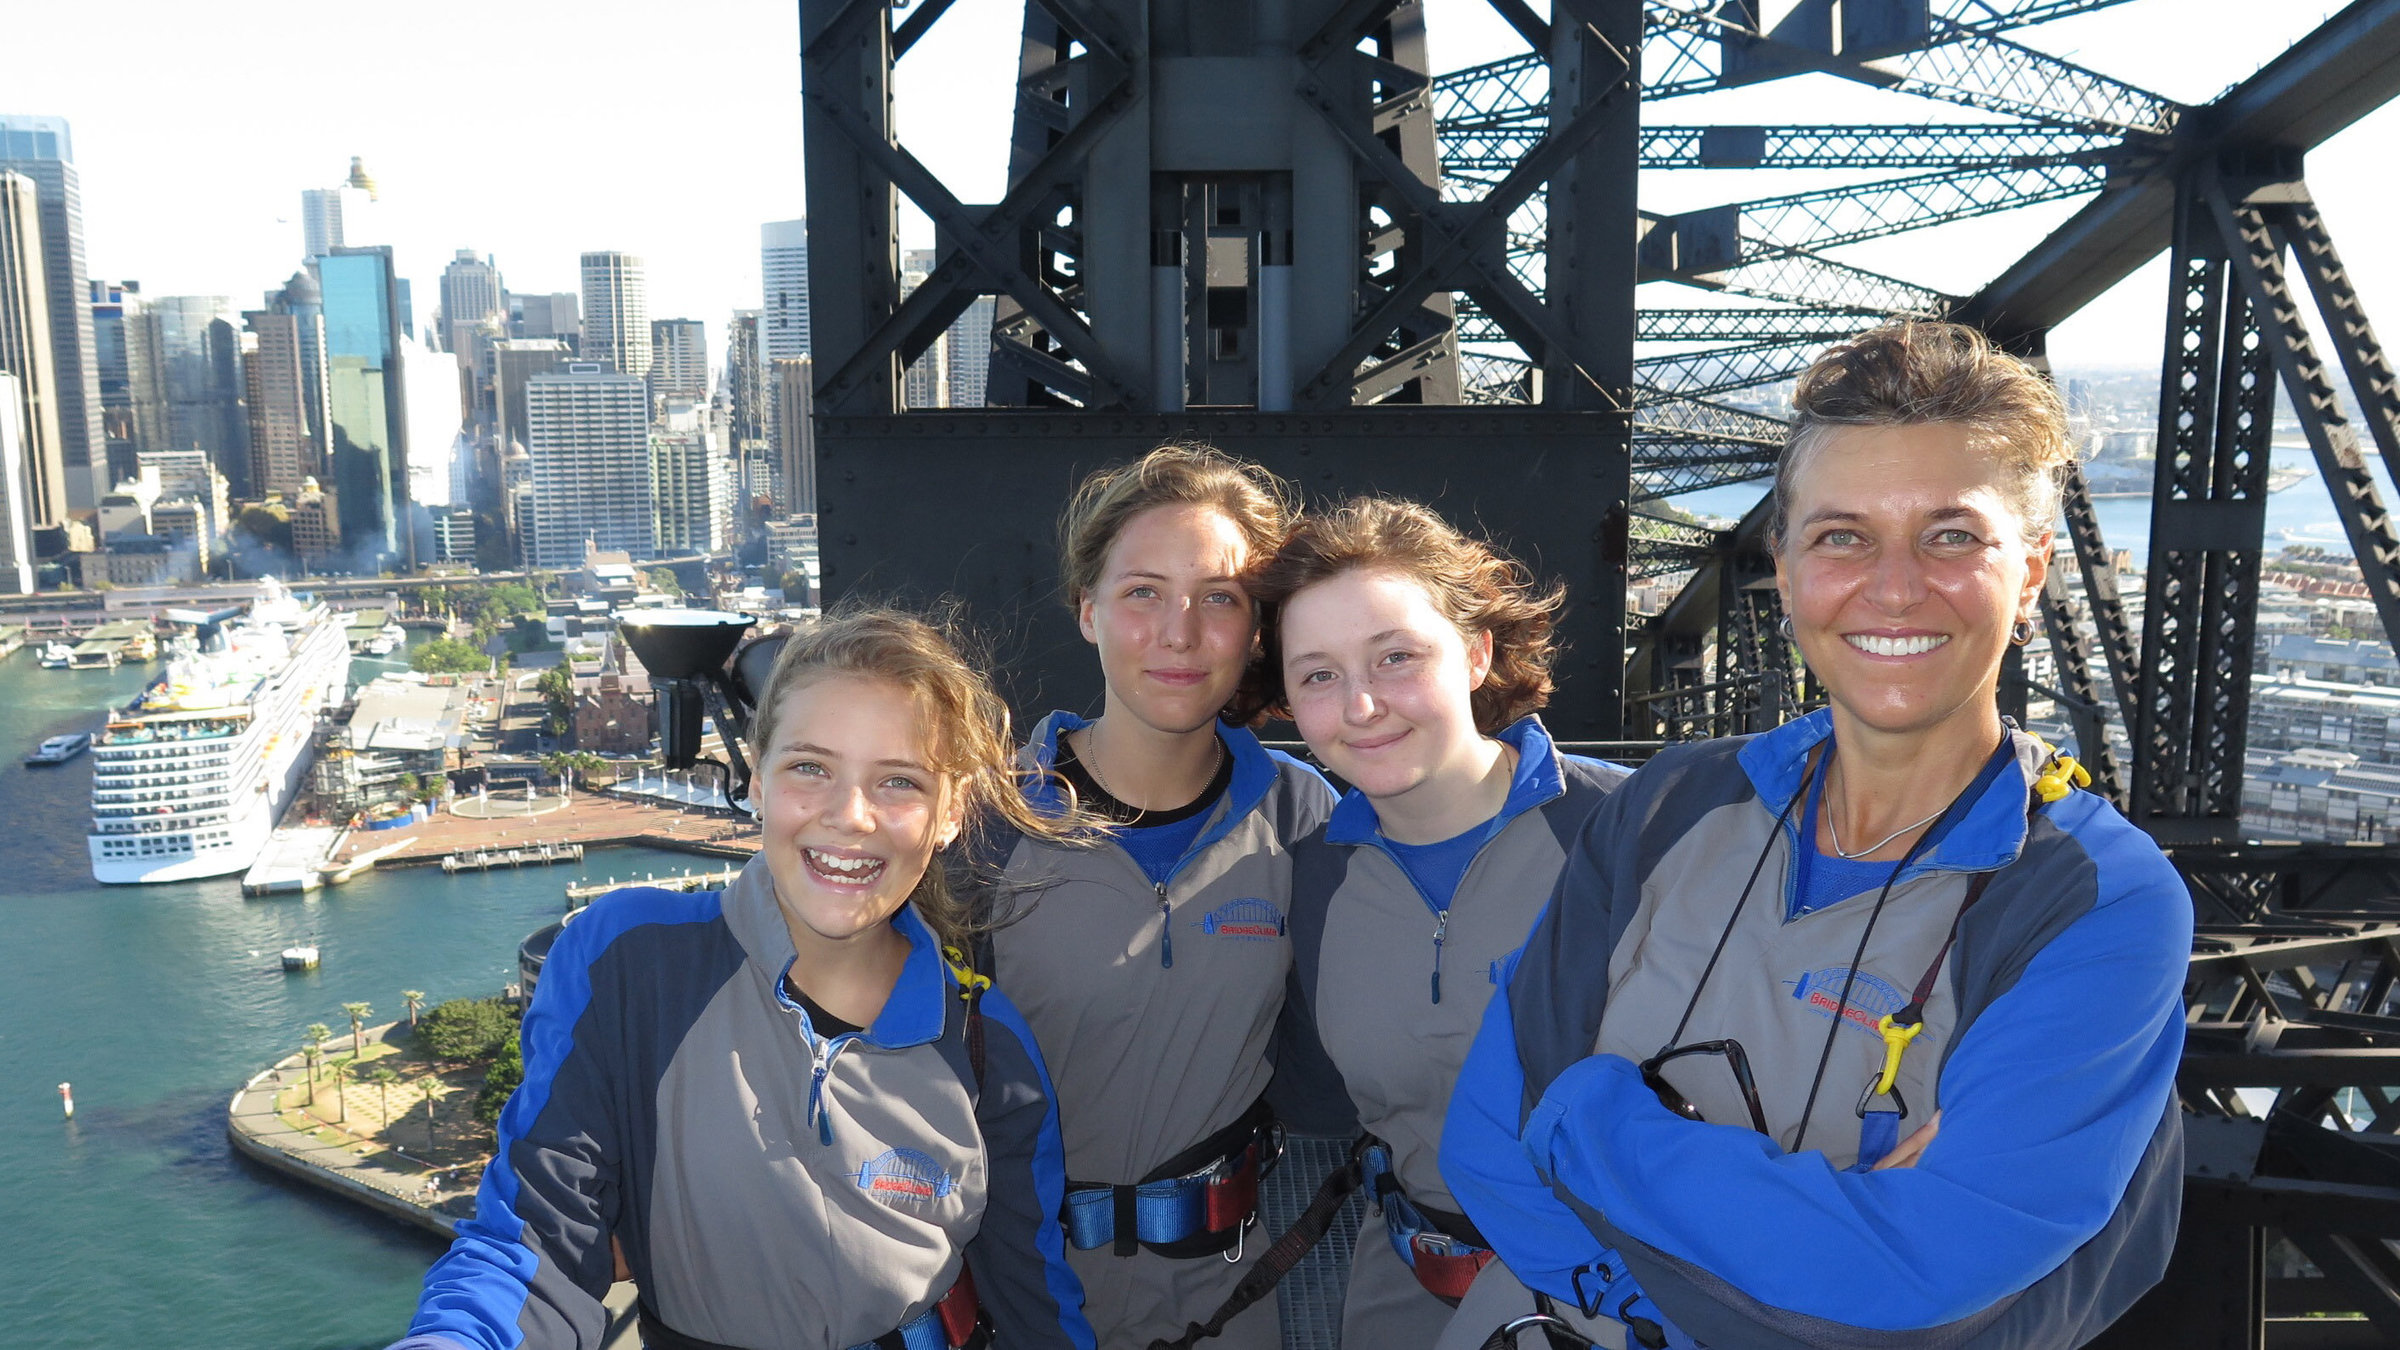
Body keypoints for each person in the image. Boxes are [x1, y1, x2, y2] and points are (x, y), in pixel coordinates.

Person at [1440, 322, 2191, 1350]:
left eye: (1952, 535)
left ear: (2030, 575)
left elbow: (1930, 1272)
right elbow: (1484, 1147)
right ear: (1785, 571)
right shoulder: (1670, 805)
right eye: (1841, 535)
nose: (1893, 585)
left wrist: (1585, 1120)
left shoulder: (2095, 899)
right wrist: (1800, 1271)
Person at [391, 609, 1098, 1350]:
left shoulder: (988, 1045)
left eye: (898, 782)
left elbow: (1035, 1302)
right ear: (756, 777)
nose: (849, 816)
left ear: (951, 813)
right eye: (810, 768)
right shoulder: (628, 968)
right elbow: (531, 1247)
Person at [973, 444, 1335, 1350]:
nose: (1180, 633)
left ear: (1257, 631)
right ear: (1087, 611)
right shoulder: (983, 827)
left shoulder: (1304, 819)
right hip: (1024, 1296)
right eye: (1142, 592)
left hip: (1231, 1300)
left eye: (1220, 598)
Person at [1258, 498, 1626, 1350]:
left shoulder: (1628, 832)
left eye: (1395, 658)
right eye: (1317, 675)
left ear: (1475, 652)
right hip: (1408, 1296)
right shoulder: (1311, 879)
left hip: (1628, 1296)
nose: (1360, 706)